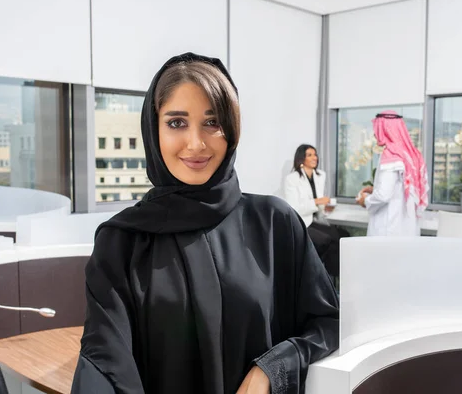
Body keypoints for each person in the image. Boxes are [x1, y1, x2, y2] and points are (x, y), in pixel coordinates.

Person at [70, 53, 339, 394]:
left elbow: (328, 322)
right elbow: (106, 362)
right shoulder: (121, 241)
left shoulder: (274, 224)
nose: (196, 143)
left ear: (232, 130)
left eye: (212, 123)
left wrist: (273, 369)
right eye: (176, 123)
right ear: (153, 130)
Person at [356, 111, 429, 237]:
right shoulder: (412, 155)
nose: (375, 133)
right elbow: (401, 188)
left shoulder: (391, 155)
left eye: (377, 129)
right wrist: (375, 189)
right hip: (407, 227)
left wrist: (365, 200)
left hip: (389, 227)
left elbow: (383, 195)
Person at [283, 144, 348, 278]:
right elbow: (294, 208)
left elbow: (319, 205)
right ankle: (322, 278)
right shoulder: (292, 179)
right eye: (310, 155)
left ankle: (336, 278)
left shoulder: (320, 176)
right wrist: (317, 202)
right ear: (301, 158)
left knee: (342, 236)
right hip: (302, 222)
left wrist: (326, 207)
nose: (315, 158)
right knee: (326, 240)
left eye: (315, 154)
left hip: (316, 219)